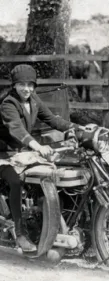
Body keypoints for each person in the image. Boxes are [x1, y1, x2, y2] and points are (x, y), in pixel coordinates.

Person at [0, 64, 79, 252]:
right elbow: (16, 129)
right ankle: (19, 234)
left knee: (53, 171)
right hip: (4, 154)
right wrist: (37, 146)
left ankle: (48, 224)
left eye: (30, 84)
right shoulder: (8, 104)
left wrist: (75, 129)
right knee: (16, 181)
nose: (27, 89)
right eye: (22, 84)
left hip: (21, 153)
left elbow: (52, 119)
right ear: (14, 85)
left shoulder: (33, 99)